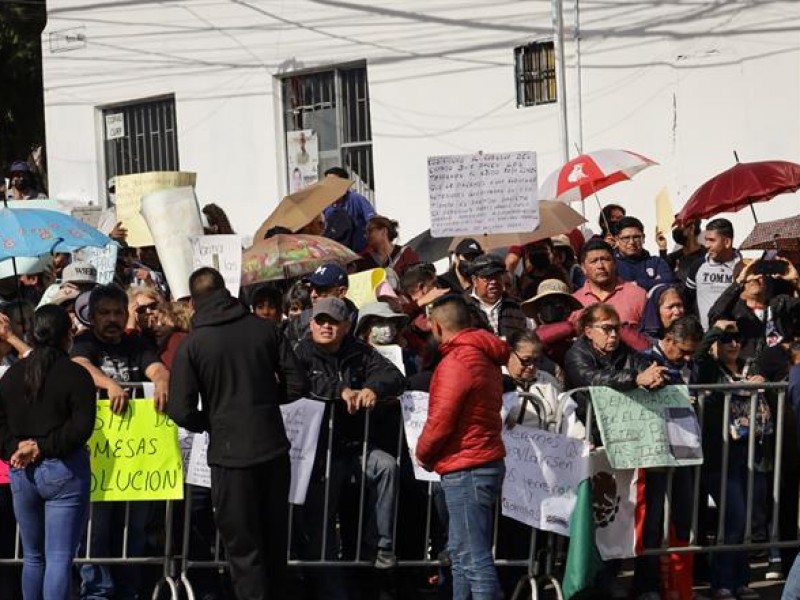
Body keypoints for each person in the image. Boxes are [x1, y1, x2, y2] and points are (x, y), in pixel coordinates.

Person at [167, 267, 309, 600]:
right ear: (225, 291)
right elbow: (299, 383)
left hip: (230, 457)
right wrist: (262, 404)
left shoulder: (193, 344)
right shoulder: (265, 329)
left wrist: (210, 421)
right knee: (274, 541)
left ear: (193, 301)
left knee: (243, 548)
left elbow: (180, 410)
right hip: (272, 449)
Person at [293, 297, 405, 589]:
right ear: (311, 323)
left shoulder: (360, 351)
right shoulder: (299, 351)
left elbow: (394, 376)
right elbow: (296, 382)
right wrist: (340, 390)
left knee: (387, 467)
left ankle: (379, 547)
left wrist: (372, 388)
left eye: (333, 322)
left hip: (355, 447)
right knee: (322, 530)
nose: (326, 327)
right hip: (316, 456)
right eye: (320, 321)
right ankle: (327, 587)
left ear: (346, 326)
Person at [70, 284, 169, 600]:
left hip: (135, 458)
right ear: (92, 317)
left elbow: (155, 367)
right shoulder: (84, 343)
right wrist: (110, 384)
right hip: (98, 455)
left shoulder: (137, 343)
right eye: (104, 313)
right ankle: (97, 590)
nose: (112, 319)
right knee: (95, 529)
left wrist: (163, 380)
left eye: (117, 312)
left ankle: (129, 589)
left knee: (133, 528)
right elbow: (80, 365)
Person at [416, 294, 509, 600]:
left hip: (465, 465)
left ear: (438, 327)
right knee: (461, 554)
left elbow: (441, 419)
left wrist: (423, 453)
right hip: (481, 459)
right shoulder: (484, 355)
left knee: (473, 558)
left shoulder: (456, 362)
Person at [0, 304, 96, 600]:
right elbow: (82, 428)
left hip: (22, 473)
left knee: (33, 557)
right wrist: (41, 447)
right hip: (63, 470)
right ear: (67, 336)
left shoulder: (11, 377)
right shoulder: (76, 376)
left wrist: (18, 449)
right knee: (58, 558)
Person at [634, 317, 705, 600]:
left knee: (683, 518)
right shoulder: (645, 360)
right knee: (652, 522)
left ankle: (679, 583)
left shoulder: (691, 365)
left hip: (686, 450)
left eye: (692, 353)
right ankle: (647, 585)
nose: (687, 357)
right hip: (656, 451)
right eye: (683, 351)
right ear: (669, 340)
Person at [694, 319, 765, 600]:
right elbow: (699, 356)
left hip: (752, 453)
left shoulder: (751, 365)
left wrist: (762, 383)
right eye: (727, 340)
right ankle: (722, 582)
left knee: (746, 519)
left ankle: (741, 580)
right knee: (733, 517)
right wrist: (714, 330)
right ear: (717, 346)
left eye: (737, 339)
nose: (734, 344)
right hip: (720, 455)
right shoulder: (712, 368)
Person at [564, 304, 668, 425]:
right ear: (589, 332)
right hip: (589, 424)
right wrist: (635, 379)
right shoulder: (575, 354)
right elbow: (592, 379)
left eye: (616, 328)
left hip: (626, 421)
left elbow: (644, 368)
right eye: (606, 328)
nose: (613, 334)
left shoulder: (624, 349)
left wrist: (655, 378)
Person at [709, 258, 800, 361]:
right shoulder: (732, 310)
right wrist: (739, 282)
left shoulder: (781, 304)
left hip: (780, 372)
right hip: (745, 371)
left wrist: (797, 282)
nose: (754, 278)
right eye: (749, 274)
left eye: (758, 273)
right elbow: (714, 317)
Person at [572, 239, 647, 328]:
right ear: (583, 268)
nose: (600, 266)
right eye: (594, 261)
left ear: (615, 263)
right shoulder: (574, 302)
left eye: (605, 260)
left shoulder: (638, 295)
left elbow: (649, 336)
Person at [686, 218, 741, 329]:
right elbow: (687, 300)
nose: (706, 245)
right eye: (706, 240)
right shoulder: (697, 266)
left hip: (736, 338)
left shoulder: (743, 267)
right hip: (706, 338)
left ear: (727, 242)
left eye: (712, 240)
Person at [467, 254, 528, 338]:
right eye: (487, 277)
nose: (493, 282)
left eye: (497, 276)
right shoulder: (464, 307)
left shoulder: (517, 306)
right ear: (474, 280)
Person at [322, 167, 376, 253]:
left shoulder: (356, 199)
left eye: (333, 181)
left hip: (361, 252)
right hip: (337, 253)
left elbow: (373, 222)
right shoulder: (325, 206)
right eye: (327, 182)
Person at [613, 216, 674, 291]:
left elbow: (669, 281)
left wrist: (638, 284)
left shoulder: (656, 262)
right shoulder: (610, 264)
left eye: (636, 237)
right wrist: (654, 282)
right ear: (617, 240)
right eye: (626, 238)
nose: (632, 242)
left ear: (643, 238)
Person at [354, 215, 421, 277]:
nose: (366, 236)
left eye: (369, 231)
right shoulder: (364, 261)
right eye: (366, 233)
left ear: (384, 231)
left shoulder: (406, 255)